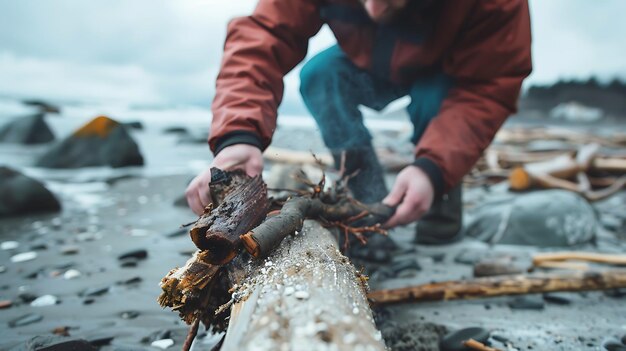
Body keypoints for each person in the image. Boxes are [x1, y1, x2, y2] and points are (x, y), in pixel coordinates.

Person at [186, 0, 532, 245]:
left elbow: (488, 85)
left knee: (437, 99)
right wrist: (238, 135)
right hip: (369, 61)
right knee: (321, 76)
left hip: (447, 67)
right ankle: (366, 206)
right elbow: (263, 36)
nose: (375, 8)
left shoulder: (496, 6)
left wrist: (432, 169)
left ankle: (438, 212)